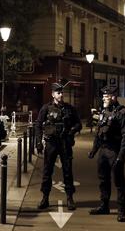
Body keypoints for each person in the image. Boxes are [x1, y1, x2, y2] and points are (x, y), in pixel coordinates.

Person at [88, 85, 125, 222]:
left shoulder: (123, 113)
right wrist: (94, 150)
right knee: (103, 179)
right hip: (103, 150)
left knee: (118, 181)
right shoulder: (104, 111)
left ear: (113, 97)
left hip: (115, 150)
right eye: (103, 96)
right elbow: (99, 133)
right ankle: (104, 205)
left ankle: (121, 210)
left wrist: (121, 155)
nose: (103, 99)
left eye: (106, 96)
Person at [35, 82, 82, 211]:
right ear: (53, 94)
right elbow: (38, 125)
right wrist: (38, 142)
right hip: (51, 143)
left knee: (67, 171)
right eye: (58, 93)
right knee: (47, 171)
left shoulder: (69, 108)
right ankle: (45, 198)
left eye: (62, 93)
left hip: (65, 143)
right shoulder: (46, 108)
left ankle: (69, 198)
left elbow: (78, 124)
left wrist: (72, 131)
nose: (61, 95)